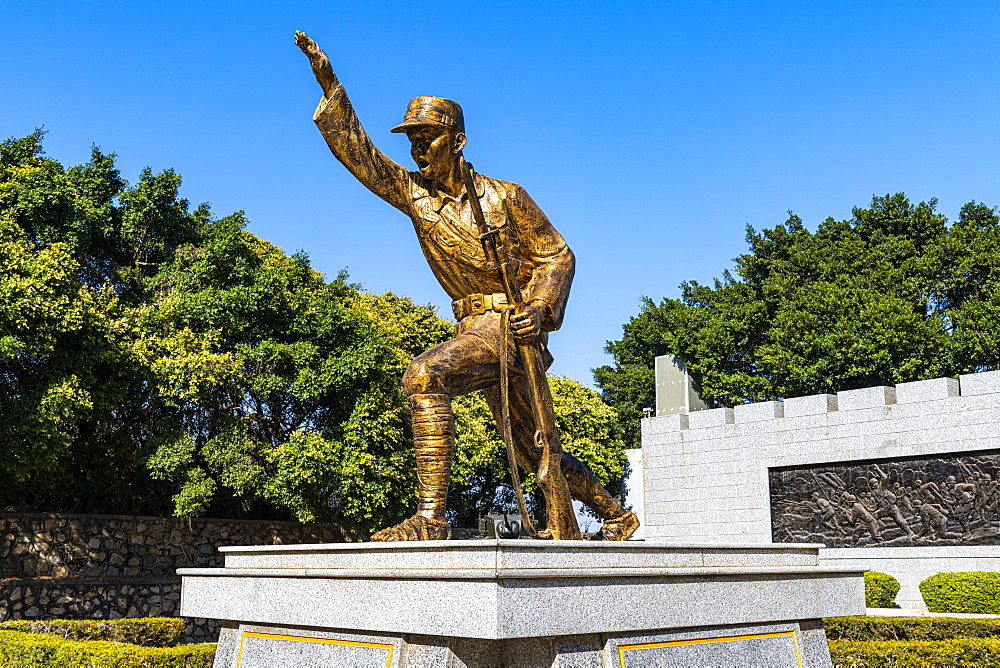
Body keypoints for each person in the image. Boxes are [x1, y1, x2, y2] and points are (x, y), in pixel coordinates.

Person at [295, 32, 639, 541]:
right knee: (532, 448)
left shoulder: (506, 197)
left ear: (456, 139)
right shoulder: (415, 195)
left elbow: (557, 255)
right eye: (411, 140)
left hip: (510, 325)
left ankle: (432, 519)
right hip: (473, 324)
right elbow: (360, 156)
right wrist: (330, 83)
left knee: (426, 375)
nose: (416, 149)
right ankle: (614, 512)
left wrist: (541, 309)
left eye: (426, 137)